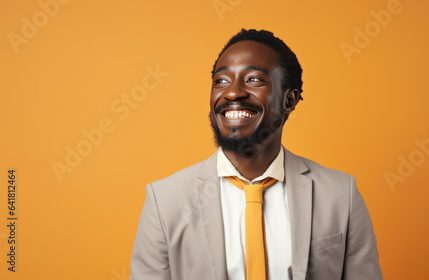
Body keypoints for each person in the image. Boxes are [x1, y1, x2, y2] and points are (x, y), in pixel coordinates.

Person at [130, 28, 383, 280]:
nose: (232, 92)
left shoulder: (341, 195)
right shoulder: (165, 202)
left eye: (253, 79)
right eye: (221, 80)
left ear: (289, 101)